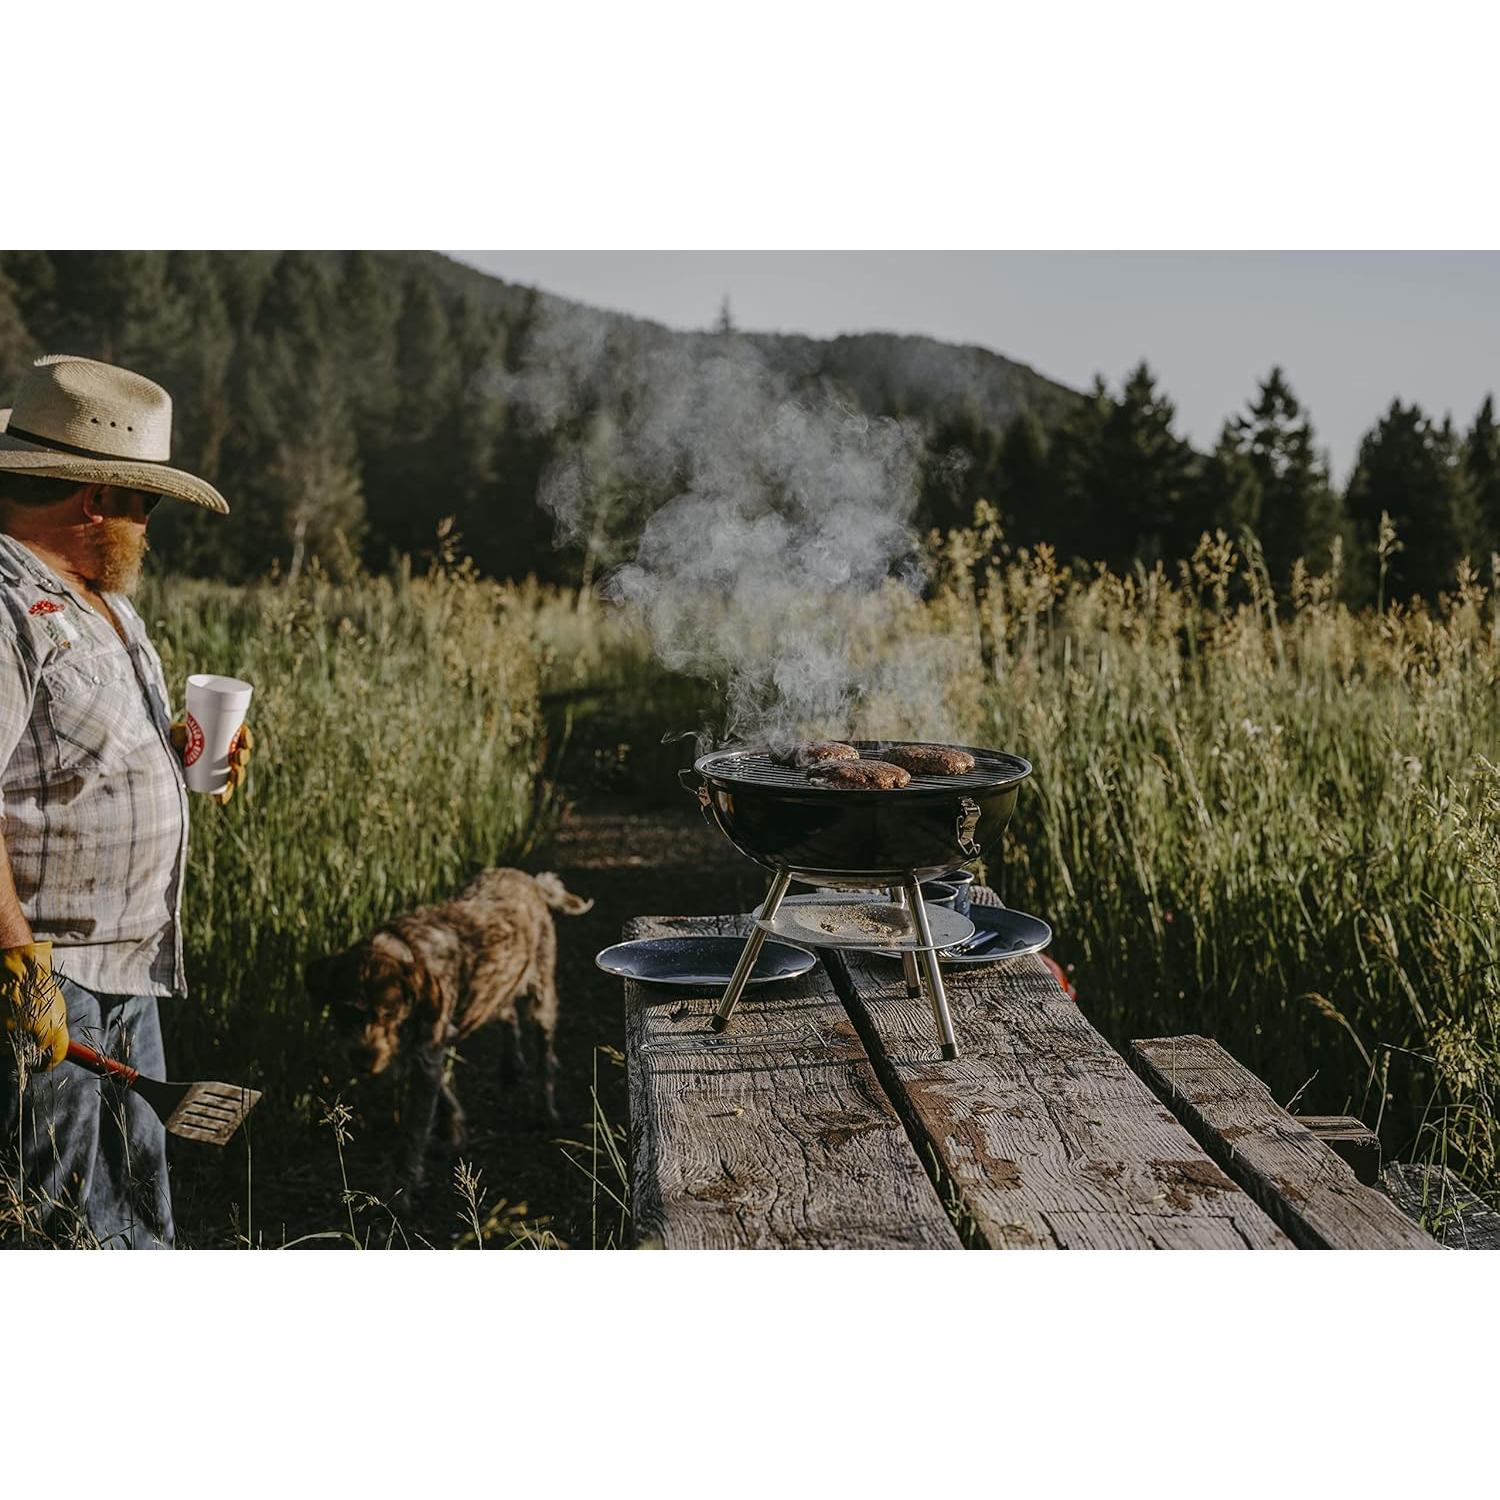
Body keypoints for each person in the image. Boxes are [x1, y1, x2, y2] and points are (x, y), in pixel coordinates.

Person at [0, 355, 252, 1248]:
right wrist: (16, 954)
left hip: (124, 970)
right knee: (69, 1220)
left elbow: (75, 748)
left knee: (140, 1205)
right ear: (94, 499)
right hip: (42, 975)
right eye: (147, 502)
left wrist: (180, 749)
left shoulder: (99, 601)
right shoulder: (3, 603)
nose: (151, 525)